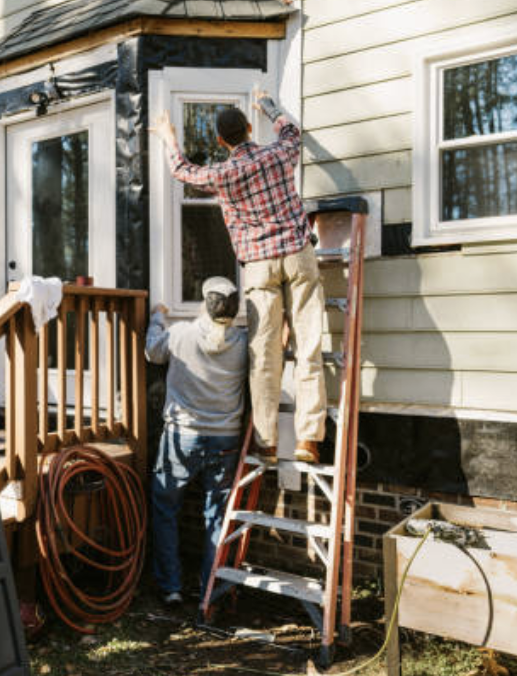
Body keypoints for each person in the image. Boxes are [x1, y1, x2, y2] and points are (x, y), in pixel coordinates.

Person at [149, 88, 325, 464]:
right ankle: (308, 439)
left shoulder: (224, 173)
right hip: (297, 255)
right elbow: (291, 132)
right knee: (308, 345)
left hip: (259, 264)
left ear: (219, 140)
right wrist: (269, 107)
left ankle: (268, 441)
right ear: (248, 128)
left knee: (264, 354)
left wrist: (169, 138)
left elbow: (184, 172)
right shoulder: (280, 153)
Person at [145, 277, 247, 604]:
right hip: (226, 440)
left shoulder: (181, 334)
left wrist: (158, 315)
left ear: (204, 303)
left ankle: (171, 586)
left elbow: (152, 351)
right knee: (217, 515)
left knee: (165, 509)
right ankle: (210, 588)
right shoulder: (244, 343)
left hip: (182, 437)